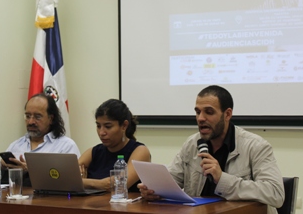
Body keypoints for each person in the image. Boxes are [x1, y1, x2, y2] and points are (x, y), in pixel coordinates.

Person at [138, 85, 284, 214]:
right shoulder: (192, 144)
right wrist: (153, 190)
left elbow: (275, 193)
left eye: (209, 112)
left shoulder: (256, 146)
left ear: (227, 114)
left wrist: (222, 179)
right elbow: (171, 181)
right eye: (197, 112)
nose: (200, 118)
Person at [78, 99, 151, 192]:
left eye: (108, 126)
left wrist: (84, 182)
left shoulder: (140, 151)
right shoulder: (93, 152)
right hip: (93, 205)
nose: (101, 132)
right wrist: (99, 184)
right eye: (98, 126)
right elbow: (68, 180)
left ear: (124, 125)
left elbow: (117, 185)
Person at [1, 93, 80, 171]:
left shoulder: (65, 146)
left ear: (51, 119)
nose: (31, 122)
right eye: (28, 116)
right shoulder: (16, 145)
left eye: (37, 117)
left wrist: (30, 170)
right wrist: (2, 166)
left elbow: (70, 180)